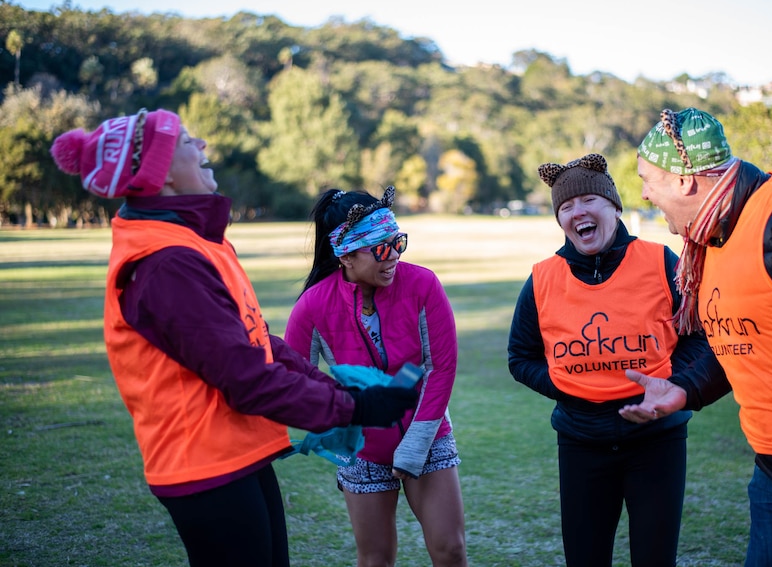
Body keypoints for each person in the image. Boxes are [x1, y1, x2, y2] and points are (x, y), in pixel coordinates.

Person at [49, 108, 418, 567]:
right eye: (185, 141)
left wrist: (346, 392)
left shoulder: (195, 242)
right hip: (202, 466)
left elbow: (259, 342)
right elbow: (246, 377)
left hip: (234, 453)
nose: (201, 145)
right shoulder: (168, 264)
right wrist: (355, 408)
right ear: (159, 176)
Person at [621, 107, 772, 566]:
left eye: (647, 180)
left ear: (684, 181)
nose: (645, 194)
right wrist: (684, 388)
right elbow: (739, 336)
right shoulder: (710, 237)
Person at [507, 153, 724, 567]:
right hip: (580, 441)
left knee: (654, 558)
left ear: (613, 206)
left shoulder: (660, 261)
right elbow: (520, 356)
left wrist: (671, 385)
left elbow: (699, 335)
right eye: (566, 207)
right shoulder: (542, 277)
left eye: (588, 200)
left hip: (656, 440)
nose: (578, 212)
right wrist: (567, 384)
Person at [284, 186, 468, 567]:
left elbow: (441, 367)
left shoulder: (422, 284)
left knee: (451, 550)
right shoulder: (312, 306)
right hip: (362, 451)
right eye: (381, 248)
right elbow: (296, 381)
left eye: (397, 242)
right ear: (345, 255)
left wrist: (417, 443)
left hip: (427, 436)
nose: (394, 256)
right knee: (375, 559)